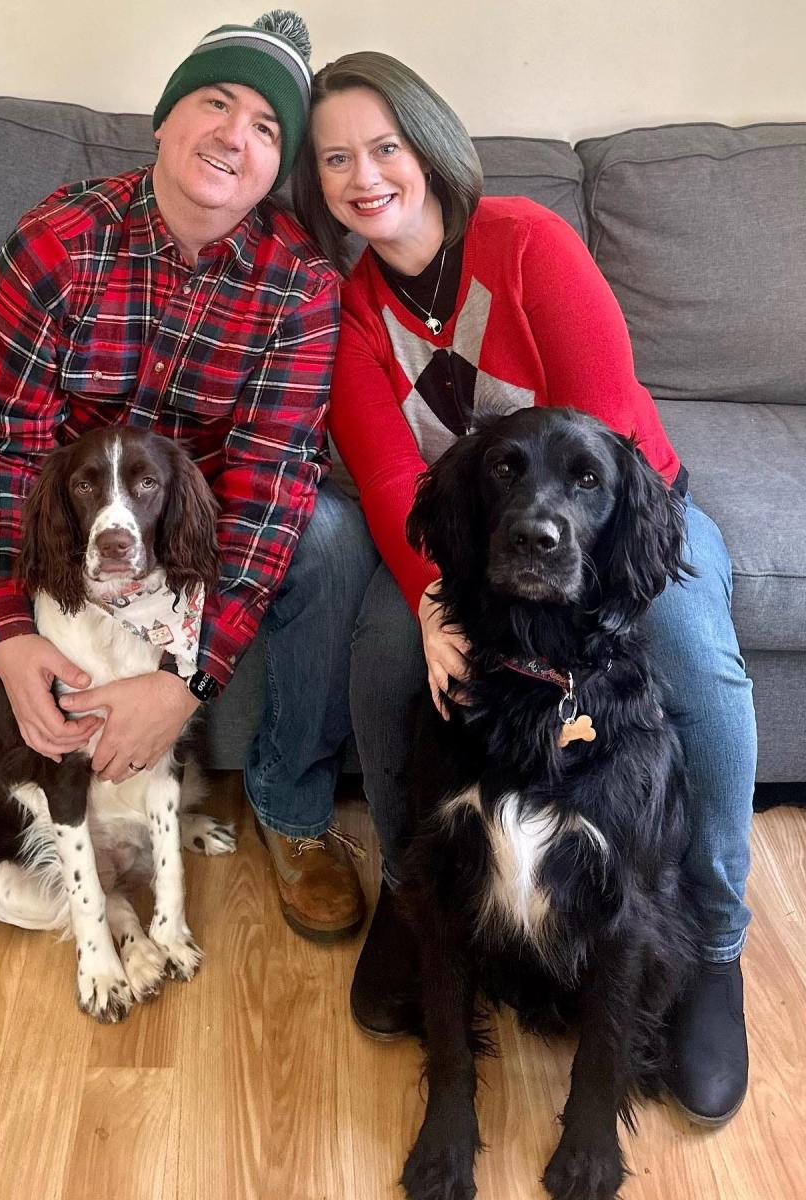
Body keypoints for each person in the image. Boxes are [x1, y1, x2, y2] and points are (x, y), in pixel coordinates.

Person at [291, 51, 755, 1126]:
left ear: (430, 147)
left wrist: (587, 590)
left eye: (385, 147)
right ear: (318, 188)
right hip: (471, 547)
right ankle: (421, 901)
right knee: (388, 655)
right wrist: (434, 601)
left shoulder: (527, 242)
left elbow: (605, 435)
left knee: (697, 661)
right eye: (335, 161)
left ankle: (717, 944)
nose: (365, 176)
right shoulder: (351, 311)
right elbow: (388, 473)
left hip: (615, 531)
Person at [0, 12, 377, 944]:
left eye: (266, 129)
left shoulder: (298, 285)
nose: (234, 137)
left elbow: (274, 480)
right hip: (64, 501)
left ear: (276, 168)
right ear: (166, 120)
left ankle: (294, 813)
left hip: (192, 524)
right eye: (217, 103)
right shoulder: (58, 239)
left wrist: (187, 679)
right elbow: (4, 445)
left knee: (332, 534)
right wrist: (5, 635)